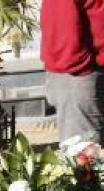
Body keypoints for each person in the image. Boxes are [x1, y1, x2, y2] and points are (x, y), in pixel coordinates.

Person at [42, 0, 104, 143]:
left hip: (90, 70)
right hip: (80, 75)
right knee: (85, 158)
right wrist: (82, 66)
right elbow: (61, 33)